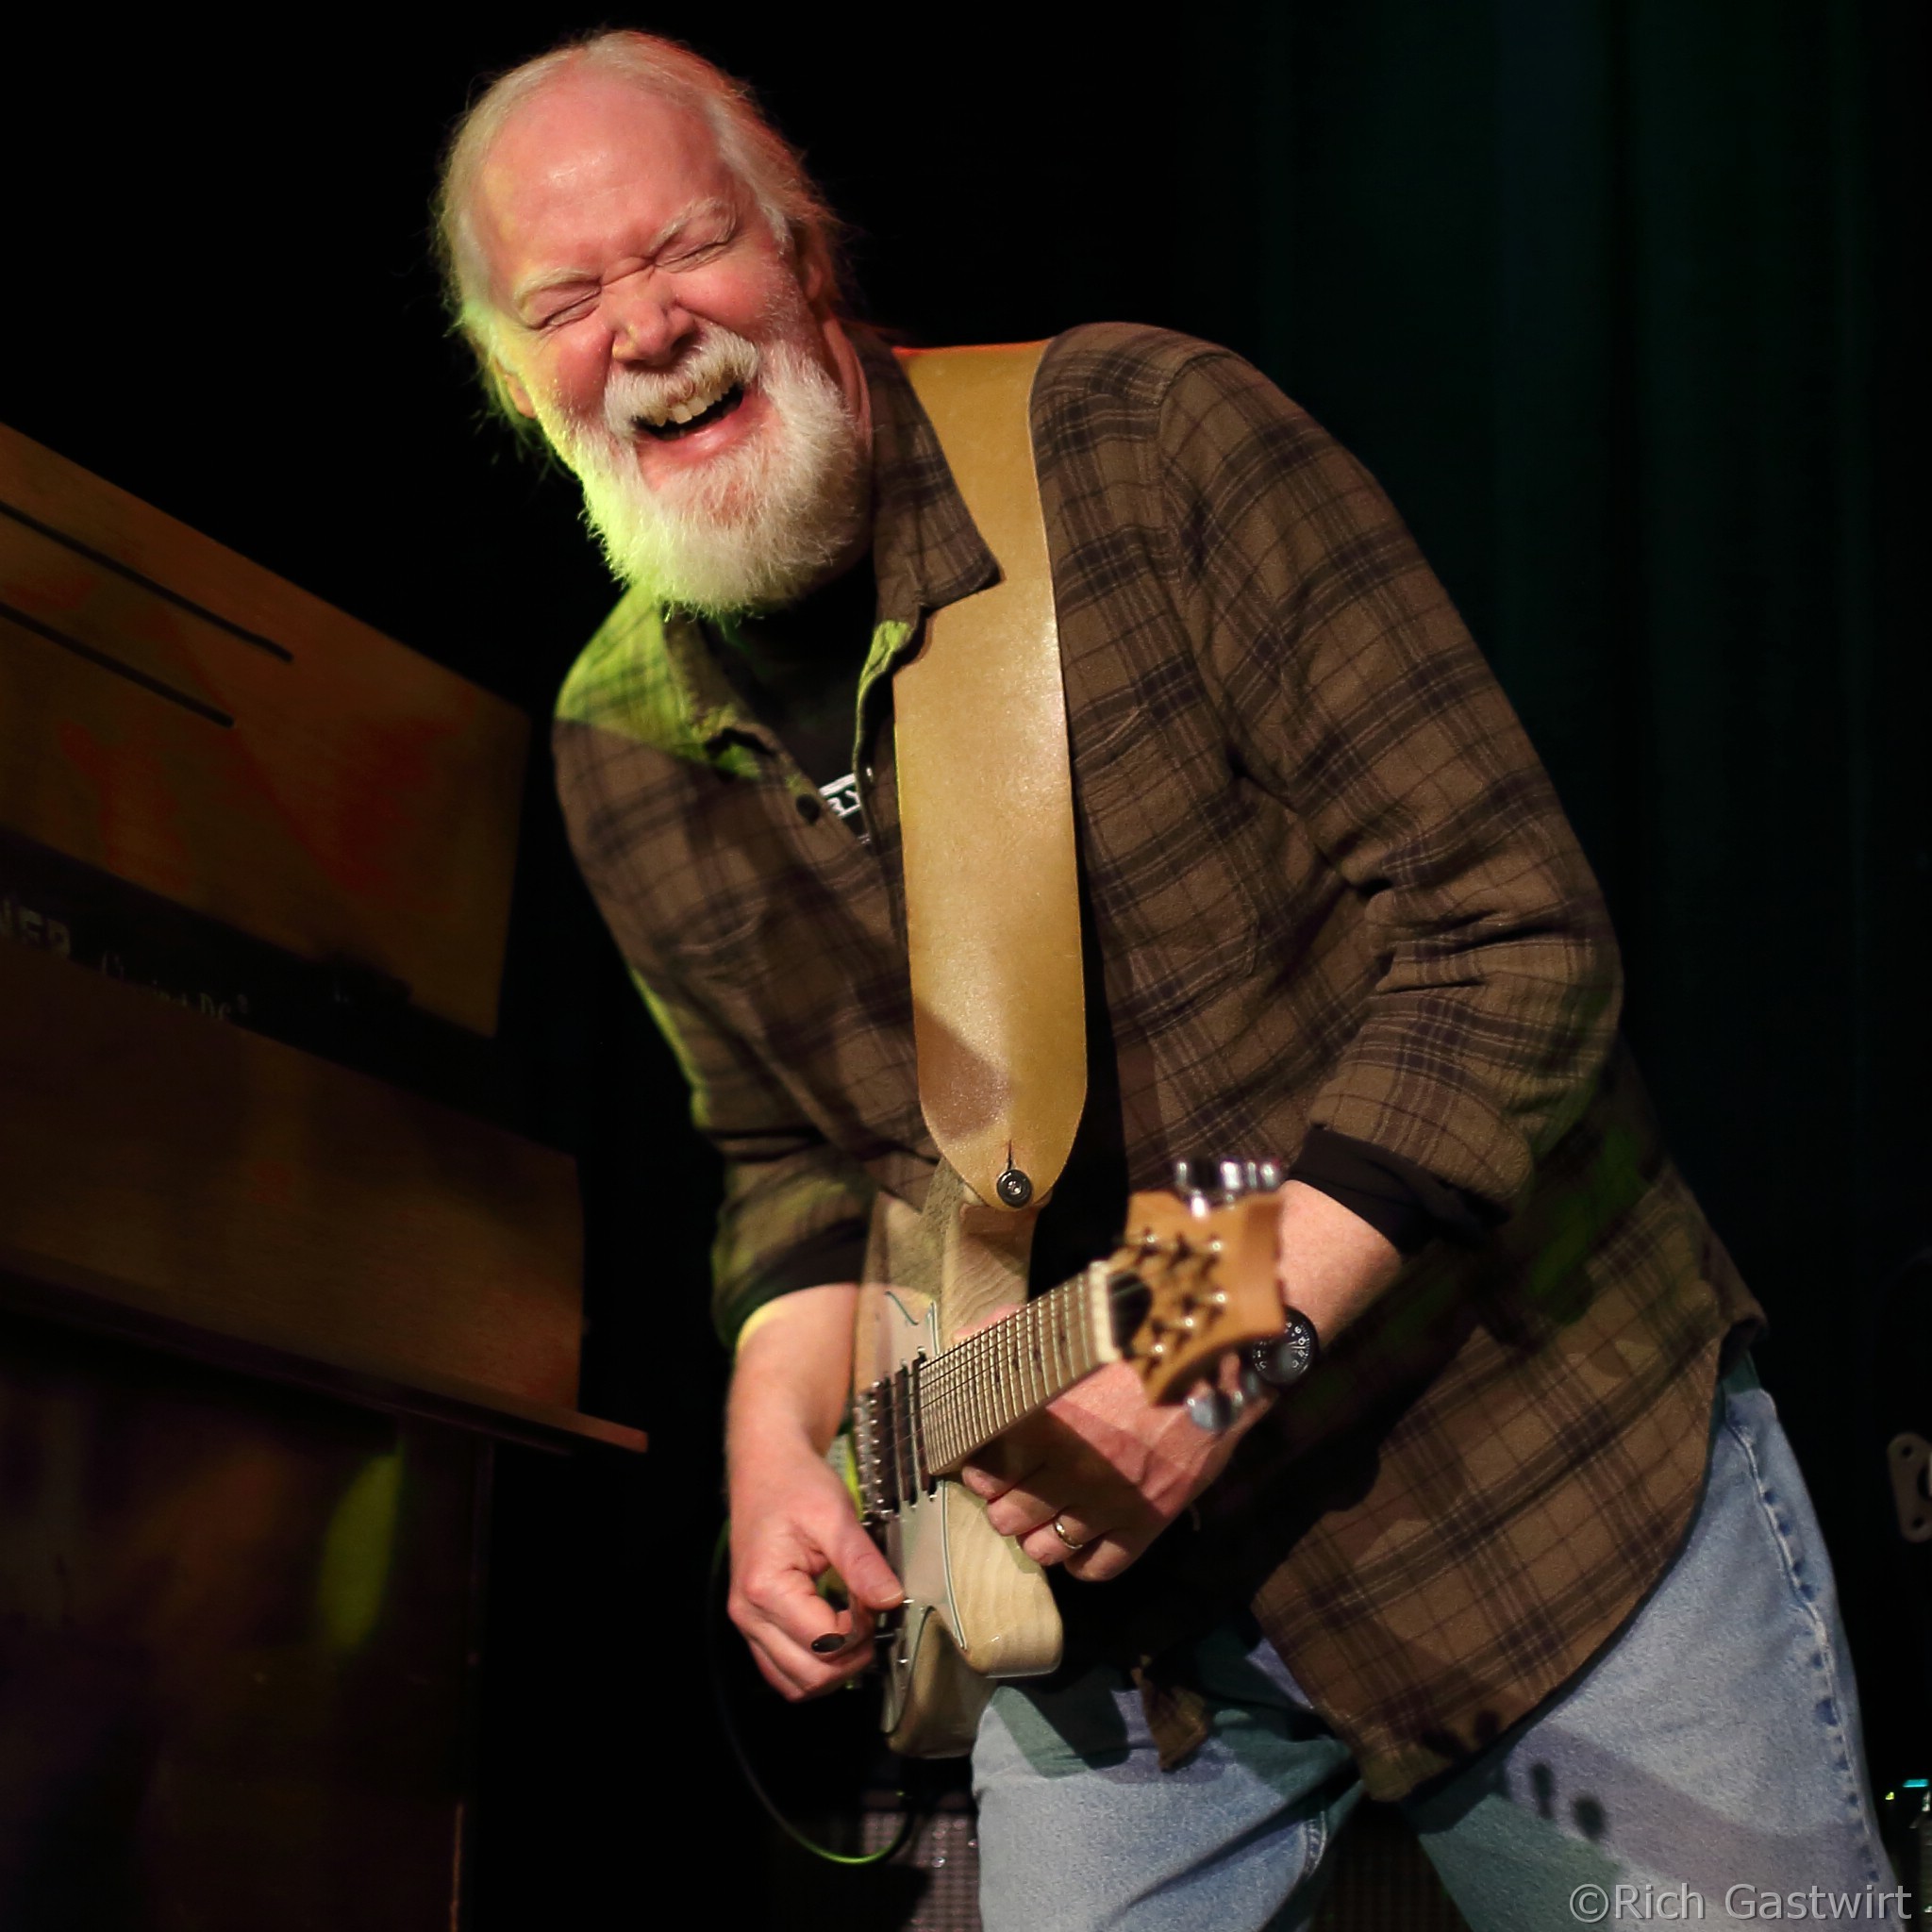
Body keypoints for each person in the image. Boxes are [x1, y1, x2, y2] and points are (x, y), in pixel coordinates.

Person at [435, 31, 1901, 1930]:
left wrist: (1197, 1360)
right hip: (1114, 1647)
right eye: (566, 301)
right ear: (512, 380)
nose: (644, 328)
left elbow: (1510, 938)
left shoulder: (1139, 442)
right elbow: (794, 1161)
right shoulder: (614, 740)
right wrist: (771, 1442)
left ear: (798, 244)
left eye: (687, 245)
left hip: (1519, 1494)